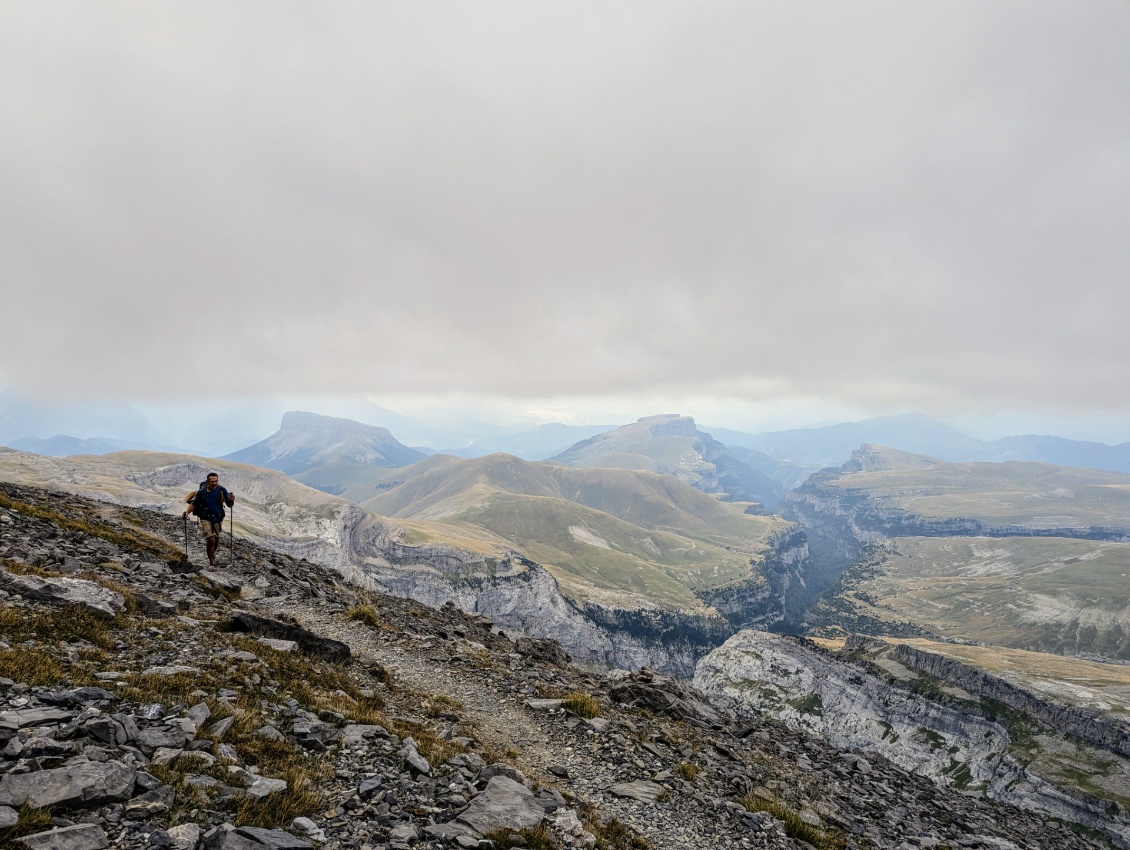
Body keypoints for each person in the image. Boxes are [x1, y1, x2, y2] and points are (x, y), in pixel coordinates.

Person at [184, 472, 235, 566]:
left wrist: (232, 500)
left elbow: (229, 504)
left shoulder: (222, 490)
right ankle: (211, 562)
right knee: (211, 539)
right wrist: (187, 512)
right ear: (208, 481)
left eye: (216, 481)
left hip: (218, 518)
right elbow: (194, 504)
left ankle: (212, 556)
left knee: (216, 539)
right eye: (212, 481)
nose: (214, 483)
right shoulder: (201, 492)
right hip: (205, 517)